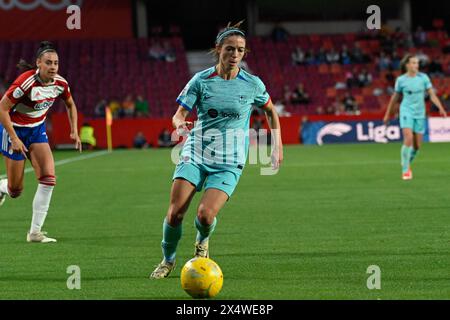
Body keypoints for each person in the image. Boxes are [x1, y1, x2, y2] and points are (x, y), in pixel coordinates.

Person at [150, 21, 283, 279]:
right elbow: (178, 115)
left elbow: (271, 111)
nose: (234, 55)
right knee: (175, 212)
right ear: (218, 49)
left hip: (229, 160)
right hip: (196, 152)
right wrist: (181, 127)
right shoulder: (201, 80)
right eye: (229, 49)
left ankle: (202, 242)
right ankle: (168, 260)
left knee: (205, 214)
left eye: (240, 50)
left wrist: (277, 146)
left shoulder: (252, 84)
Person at [0, 41, 81, 243]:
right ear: (38, 63)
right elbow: (2, 109)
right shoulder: (25, 83)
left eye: (56, 63)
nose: (53, 67)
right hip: (13, 130)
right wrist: (15, 138)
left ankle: (35, 232)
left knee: (48, 179)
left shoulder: (60, 84)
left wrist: (74, 130)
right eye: (48, 63)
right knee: (15, 190)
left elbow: (70, 104)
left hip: (36, 131)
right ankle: (2, 188)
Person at [383, 54, 447, 180]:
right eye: (413, 63)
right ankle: (405, 169)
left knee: (417, 146)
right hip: (406, 111)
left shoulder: (423, 78)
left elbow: (432, 95)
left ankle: (406, 161)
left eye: (417, 63)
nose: (416, 65)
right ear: (407, 65)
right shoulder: (401, 80)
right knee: (408, 137)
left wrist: (441, 108)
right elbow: (394, 99)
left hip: (420, 113)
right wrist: (387, 115)